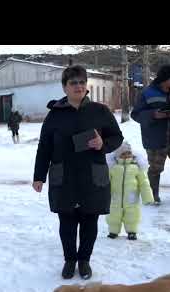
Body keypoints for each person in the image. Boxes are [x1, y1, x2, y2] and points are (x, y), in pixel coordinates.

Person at [33, 65, 123, 280]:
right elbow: (44, 146)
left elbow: (117, 138)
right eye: (73, 82)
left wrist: (103, 143)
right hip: (63, 176)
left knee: (90, 221)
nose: (79, 86)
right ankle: (69, 260)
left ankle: (84, 261)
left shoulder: (100, 111)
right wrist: (39, 176)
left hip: (93, 175)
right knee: (67, 222)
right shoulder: (54, 115)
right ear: (65, 87)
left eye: (82, 82)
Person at [131, 64, 170, 205]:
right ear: (164, 78)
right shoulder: (147, 93)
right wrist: (154, 115)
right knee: (156, 169)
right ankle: (152, 197)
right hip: (155, 138)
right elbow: (135, 114)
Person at [105, 142, 154, 241]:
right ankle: (113, 231)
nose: (126, 155)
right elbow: (106, 182)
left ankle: (132, 232)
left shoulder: (136, 168)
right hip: (115, 198)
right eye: (123, 154)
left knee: (132, 215)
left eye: (128, 153)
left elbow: (144, 183)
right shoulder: (113, 168)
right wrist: (103, 196)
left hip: (131, 198)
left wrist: (147, 197)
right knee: (113, 215)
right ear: (117, 155)